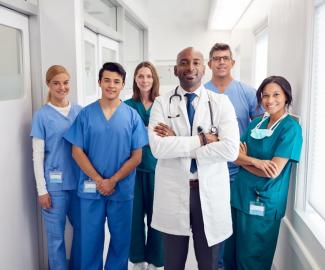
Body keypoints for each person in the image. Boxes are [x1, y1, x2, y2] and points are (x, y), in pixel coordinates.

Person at [148, 47, 240, 270]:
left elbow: (230, 150)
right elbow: (158, 149)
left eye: (196, 62)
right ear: (175, 69)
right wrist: (203, 139)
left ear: (204, 67)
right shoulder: (162, 103)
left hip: (208, 191)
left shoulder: (221, 103)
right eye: (184, 62)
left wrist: (178, 142)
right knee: (173, 263)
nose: (190, 68)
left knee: (209, 263)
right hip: (173, 190)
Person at [63, 62, 148, 270]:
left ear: (123, 85)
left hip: (121, 189)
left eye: (116, 82)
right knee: (89, 240)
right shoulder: (86, 114)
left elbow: (137, 156)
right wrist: (100, 180)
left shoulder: (131, 116)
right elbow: (76, 152)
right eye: (107, 80)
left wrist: (113, 181)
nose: (111, 85)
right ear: (99, 82)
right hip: (92, 189)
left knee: (120, 241)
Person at [224, 76, 303, 270]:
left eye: (276, 94)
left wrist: (244, 161)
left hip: (263, 203)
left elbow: (272, 171)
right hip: (240, 196)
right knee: (231, 255)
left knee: (252, 258)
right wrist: (254, 162)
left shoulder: (291, 129)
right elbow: (233, 155)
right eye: (265, 95)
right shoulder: (256, 124)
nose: (270, 100)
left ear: (286, 97)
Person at [205, 43, 263, 269]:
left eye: (225, 58)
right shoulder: (202, 92)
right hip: (212, 168)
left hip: (240, 170)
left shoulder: (247, 92)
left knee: (239, 223)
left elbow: (259, 127)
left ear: (232, 63)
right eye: (216, 58)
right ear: (210, 63)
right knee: (215, 224)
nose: (221, 62)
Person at [30, 65, 81, 270]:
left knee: (83, 232)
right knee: (56, 238)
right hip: (54, 187)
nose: (62, 87)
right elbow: (37, 156)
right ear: (48, 85)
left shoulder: (80, 111)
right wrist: (42, 190)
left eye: (66, 82)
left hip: (79, 184)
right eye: (56, 83)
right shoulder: (41, 116)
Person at [125, 61, 164, 270]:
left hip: (158, 168)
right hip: (133, 169)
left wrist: (142, 134)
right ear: (135, 79)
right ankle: (137, 260)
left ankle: (156, 261)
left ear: (154, 79)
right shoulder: (127, 106)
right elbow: (125, 137)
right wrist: (149, 134)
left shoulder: (163, 104)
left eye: (148, 76)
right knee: (134, 216)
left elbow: (166, 135)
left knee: (157, 217)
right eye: (140, 76)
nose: (145, 80)